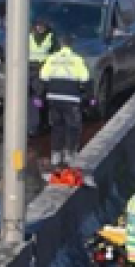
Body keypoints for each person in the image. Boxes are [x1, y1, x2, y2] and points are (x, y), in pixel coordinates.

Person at [39, 34, 90, 169]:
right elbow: (85, 78)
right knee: (72, 126)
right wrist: (87, 95)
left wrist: (41, 95)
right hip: (71, 98)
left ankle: (55, 155)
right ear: (71, 45)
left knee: (57, 126)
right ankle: (69, 154)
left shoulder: (51, 58)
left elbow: (43, 76)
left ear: (60, 45)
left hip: (54, 97)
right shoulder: (77, 59)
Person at [28, 19, 57, 137]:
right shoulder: (28, 36)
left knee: (39, 97)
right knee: (32, 97)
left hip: (43, 69)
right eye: (38, 26)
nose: (40, 28)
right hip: (28, 68)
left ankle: (39, 124)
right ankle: (34, 126)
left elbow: (55, 52)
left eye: (42, 26)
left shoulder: (51, 36)